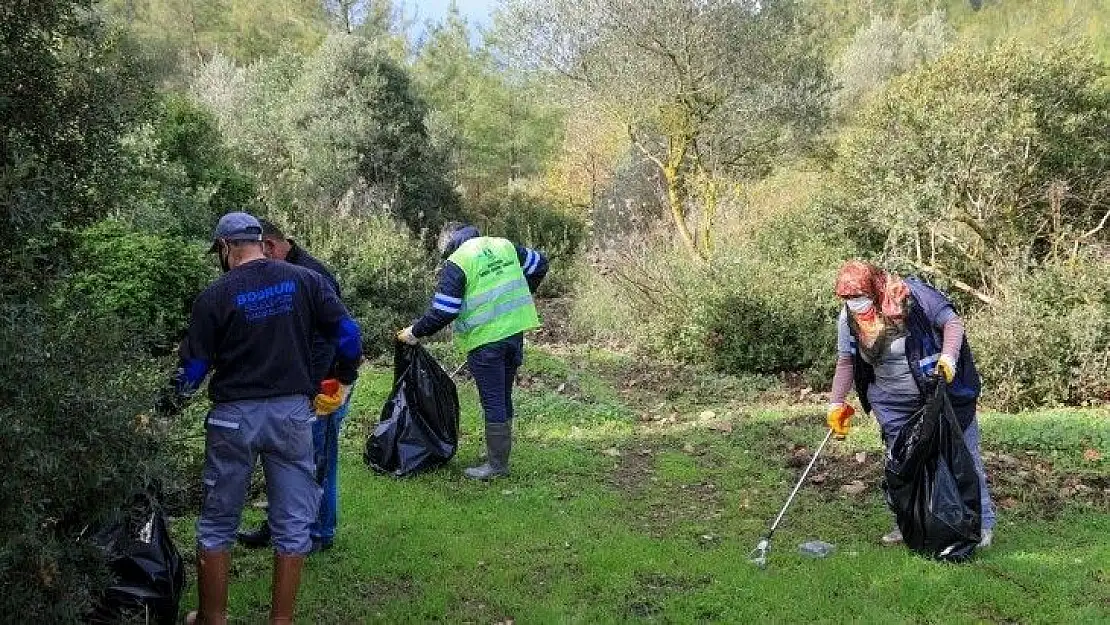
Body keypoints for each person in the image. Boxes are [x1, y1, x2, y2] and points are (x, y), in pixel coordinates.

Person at [160, 212, 362, 624]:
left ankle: (212, 618)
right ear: (259, 241)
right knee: (293, 523)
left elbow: (195, 369)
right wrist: (344, 378)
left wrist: (164, 407)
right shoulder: (305, 280)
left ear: (225, 248)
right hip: (292, 415)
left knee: (218, 522)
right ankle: (280, 621)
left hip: (233, 420)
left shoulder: (214, 296)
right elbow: (348, 334)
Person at [825, 260, 996, 548]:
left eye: (858, 296)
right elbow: (846, 361)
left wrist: (949, 357)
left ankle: (981, 525)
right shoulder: (850, 319)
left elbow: (953, 323)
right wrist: (835, 404)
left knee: (964, 456)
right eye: (848, 299)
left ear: (873, 286)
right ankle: (908, 525)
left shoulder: (913, 296)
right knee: (901, 464)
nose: (854, 304)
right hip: (891, 402)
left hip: (940, 393)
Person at [397, 222, 548, 480]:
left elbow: (444, 311)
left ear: (451, 243)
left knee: (492, 400)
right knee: (503, 394)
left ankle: (497, 466)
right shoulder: (503, 245)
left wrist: (414, 332)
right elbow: (540, 263)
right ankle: (497, 454)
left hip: (486, 340)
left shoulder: (458, 263)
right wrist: (526, 289)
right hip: (514, 332)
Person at [237, 219, 351, 553]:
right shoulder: (279, 272)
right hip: (289, 387)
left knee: (317, 460)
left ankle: (319, 534)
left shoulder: (313, 276)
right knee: (284, 461)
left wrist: (310, 389)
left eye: (258, 254)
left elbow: (333, 339)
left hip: (323, 386)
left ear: (270, 247)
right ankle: (278, 526)